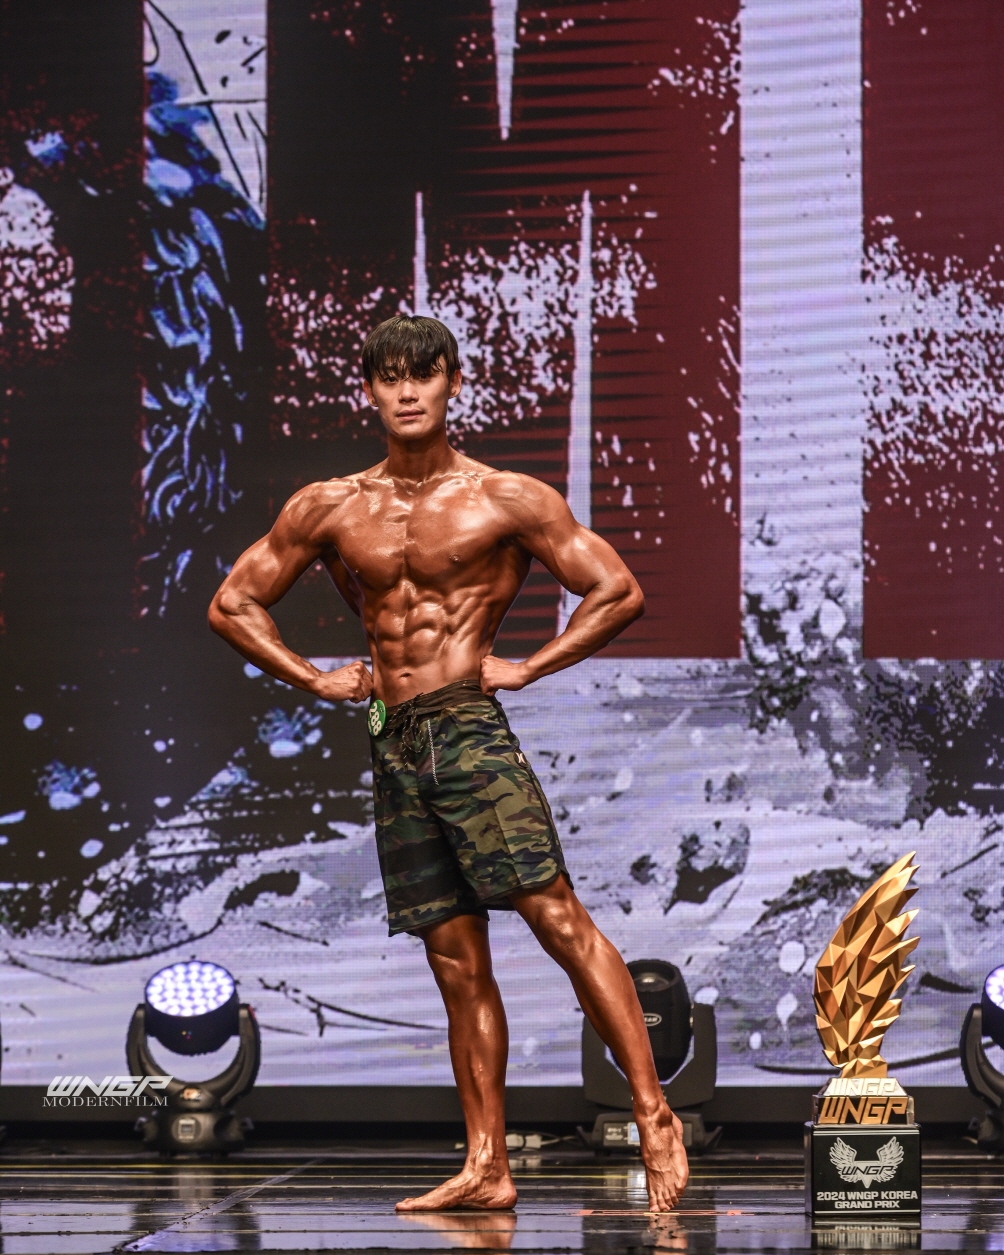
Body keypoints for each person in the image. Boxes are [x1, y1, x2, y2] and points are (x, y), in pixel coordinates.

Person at [208, 315, 689, 1212]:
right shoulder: (330, 505)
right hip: (393, 740)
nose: (407, 390)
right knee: (456, 962)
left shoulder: (505, 497)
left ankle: (653, 1111)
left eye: (424, 373)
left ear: (452, 383)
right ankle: (486, 1165)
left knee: (556, 917)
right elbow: (234, 601)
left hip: (468, 730)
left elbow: (616, 588)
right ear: (370, 390)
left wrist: (530, 665)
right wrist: (312, 676)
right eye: (390, 376)